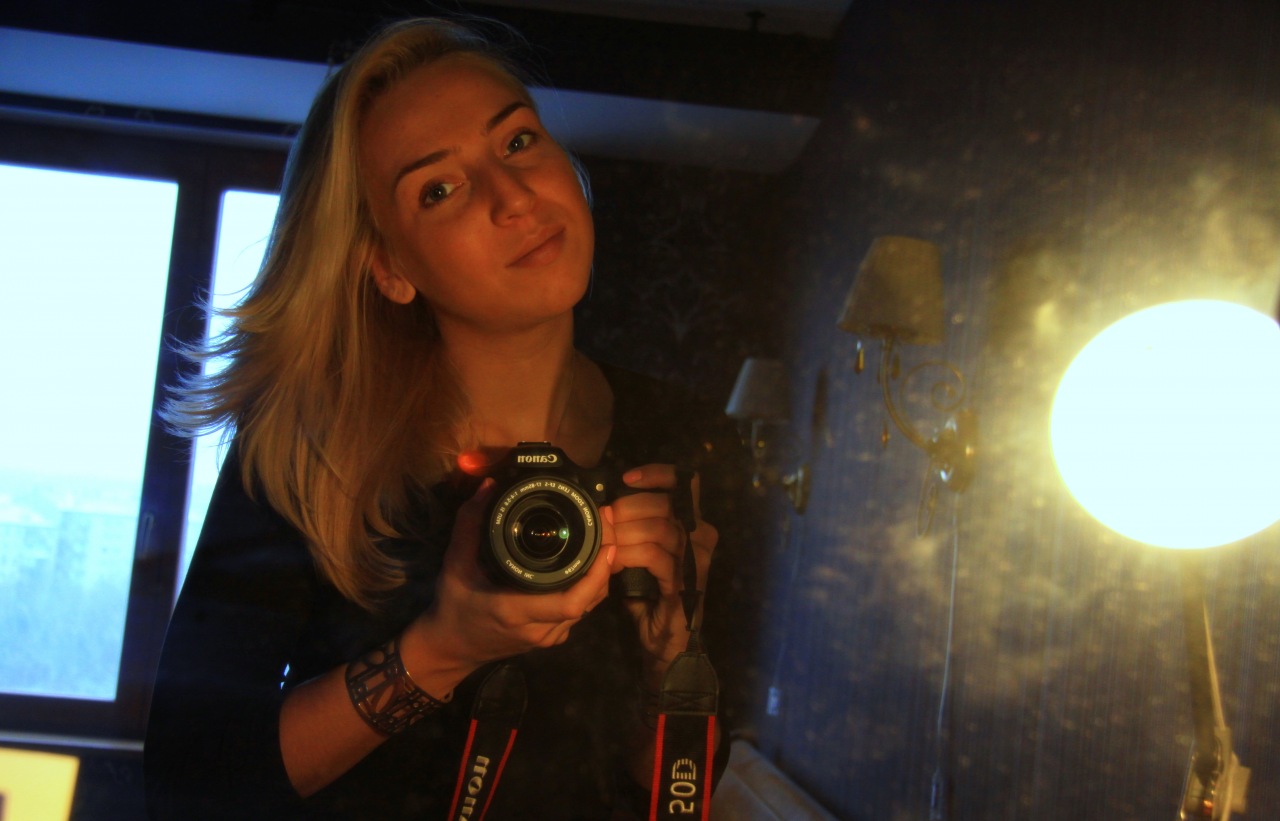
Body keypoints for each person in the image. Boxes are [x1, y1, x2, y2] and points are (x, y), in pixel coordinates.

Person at [143, 16, 736, 820]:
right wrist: (443, 648)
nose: (514, 197)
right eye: (439, 188)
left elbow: (666, 789)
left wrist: (673, 661)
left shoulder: (683, 439)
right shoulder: (311, 454)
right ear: (390, 267)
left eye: (518, 141)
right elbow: (187, 779)